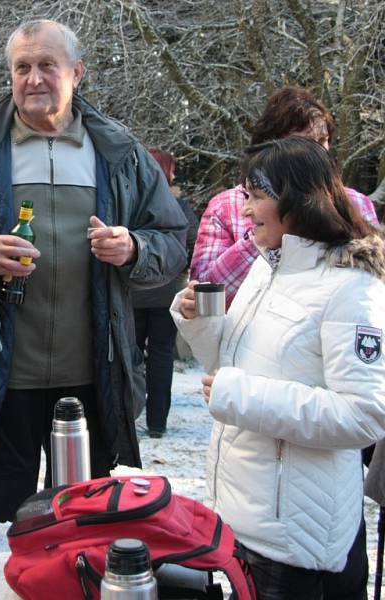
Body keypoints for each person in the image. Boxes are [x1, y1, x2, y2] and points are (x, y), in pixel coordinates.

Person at [0, 19, 188, 523]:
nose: (34, 79)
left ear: (77, 73)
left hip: (94, 376)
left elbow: (172, 239)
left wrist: (135, 247)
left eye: (47, 66)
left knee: (83, 523)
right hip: (1, 376)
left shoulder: (119, 154)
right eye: (22, 67)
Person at [171, 137, 385, 599]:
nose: (245, 212)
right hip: (246, 516)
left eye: (255, 197)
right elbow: (229, 365)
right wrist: (201, 322)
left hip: (295, 538)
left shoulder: (351, 288)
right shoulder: (270, 267)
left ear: (297, 200)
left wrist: (238, 397)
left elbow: (365, 415)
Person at [190, 87, 378, 308]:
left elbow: (370, 288)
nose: (318, 151)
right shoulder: (226, 207)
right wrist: (262, 234)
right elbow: (203, 295)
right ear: (273, 146)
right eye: (302, 142)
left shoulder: (354, 203)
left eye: (323, 139)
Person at [131, 149, 198, 438]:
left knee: (130, 355)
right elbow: (194, 241)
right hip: (168, 292)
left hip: (133, 291)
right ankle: (157, 422)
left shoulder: (133, 204)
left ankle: (127, 413)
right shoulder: (180, 207)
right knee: (161, 355)